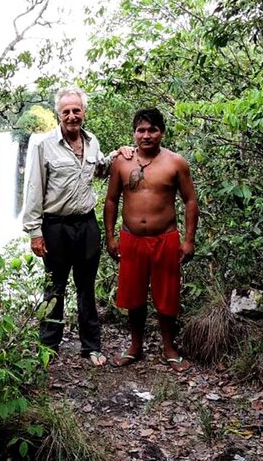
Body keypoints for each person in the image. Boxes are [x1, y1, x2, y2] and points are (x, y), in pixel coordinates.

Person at [22, 87, 131, 366]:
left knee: (86, 286)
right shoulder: (44, 145)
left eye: (76, 110)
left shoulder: (92, 142)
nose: (72, 116)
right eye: (66, 111)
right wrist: (35, 232)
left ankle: (91, 347)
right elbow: (34, 189)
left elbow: (100, 170)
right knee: (55, 288)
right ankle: (48, 347)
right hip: (55, 226)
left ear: (84, 112)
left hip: (86, 224)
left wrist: (119, 154)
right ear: (59, 114)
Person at [104, 108, 198, 372]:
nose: (146, 135)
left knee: (167, 295)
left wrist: (188, 240)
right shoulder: (122, 162)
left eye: (152, 130)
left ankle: (169, 348)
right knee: (133, 297)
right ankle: (135, 346)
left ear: (162, 133)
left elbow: (190, 200)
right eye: (141, 130)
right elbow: (111, 200)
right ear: (134, 133)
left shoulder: (175, 162)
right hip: (131, 239)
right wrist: (111, 237)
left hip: (165, 238)